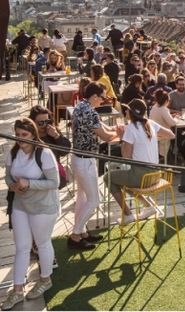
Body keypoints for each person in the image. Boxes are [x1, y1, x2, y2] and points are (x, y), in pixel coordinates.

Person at [1, 119, 60, 310]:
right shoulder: (13, 153)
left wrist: (29, 183)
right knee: (22, 247)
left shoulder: (44, 153)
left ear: (33, 134)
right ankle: (17, 290)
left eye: (24, 135)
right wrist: (12, 185)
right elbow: (8, 176)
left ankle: (45, 279)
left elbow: (54, 182)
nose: (20, 139)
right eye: (17, 134)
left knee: (42, 243)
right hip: (21, 204)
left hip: (43, 206)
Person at [68, 82, 123, 250]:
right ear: (94, 96)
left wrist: (114, 129)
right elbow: (106, 137)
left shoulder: (80, 107)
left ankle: (82, 232)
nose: (104, 100)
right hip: (85, 160)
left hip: (78, 157)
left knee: (82, 198)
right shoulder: (90, 111)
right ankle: (75, 235)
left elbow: (101, 127)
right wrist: (120, 133)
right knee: (94, 200)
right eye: (102, 97)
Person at [104, 99, 175, 223]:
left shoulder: (131, 129)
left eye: (127, 110)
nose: (125, 111)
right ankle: (147, 206)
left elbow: (125, 157)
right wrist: (150, 137)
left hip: (141, 178)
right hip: (155, 175)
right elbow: (171, 135)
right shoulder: (150, 123)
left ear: (131, 112)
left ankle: (128, 214)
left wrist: (121, 138)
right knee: (123, 177)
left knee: (108, 177)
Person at [148, 89, 178, 161]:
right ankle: (172, 158)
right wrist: (176, 118)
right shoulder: (164, 109)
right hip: (163, 134)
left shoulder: (154, 107)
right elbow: (172, 123)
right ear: (166, 101)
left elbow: (161, 117)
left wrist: (171, 116)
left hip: (154, 133)